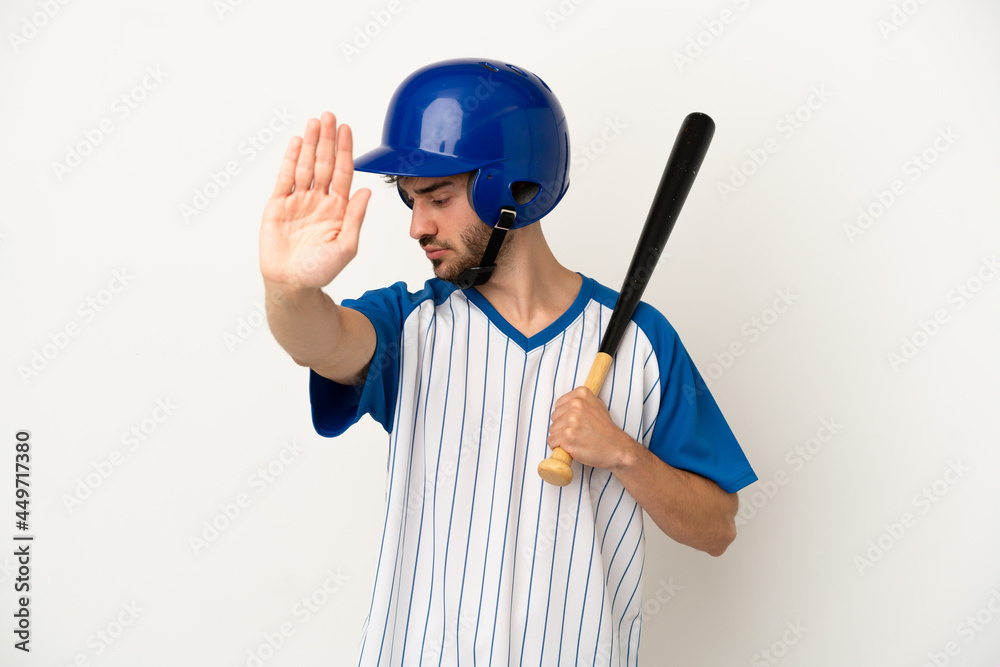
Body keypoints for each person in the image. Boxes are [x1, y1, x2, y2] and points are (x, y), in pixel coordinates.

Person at [260, 58, 756, 666]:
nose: (417, 226)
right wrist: (289, 290)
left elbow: (716, 528)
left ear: (514, 189)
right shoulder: (408, 323)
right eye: (411, 201)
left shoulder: (641, 340)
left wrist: (624, 454)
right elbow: (320, 341)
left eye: (438, 197)